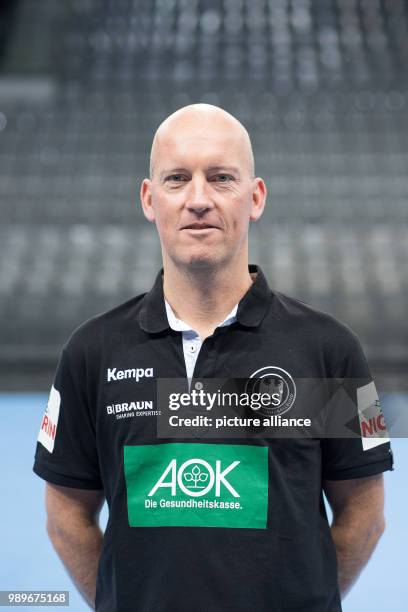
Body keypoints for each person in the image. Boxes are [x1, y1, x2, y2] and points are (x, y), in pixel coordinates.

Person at [33, 104, 393, 612]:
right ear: (149, 198)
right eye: (177, 179)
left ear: (255, 197)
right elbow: (65, 514)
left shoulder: (332, 350)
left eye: (221, 178)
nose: (197, 200)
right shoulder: (91, 354)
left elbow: (365, 514)